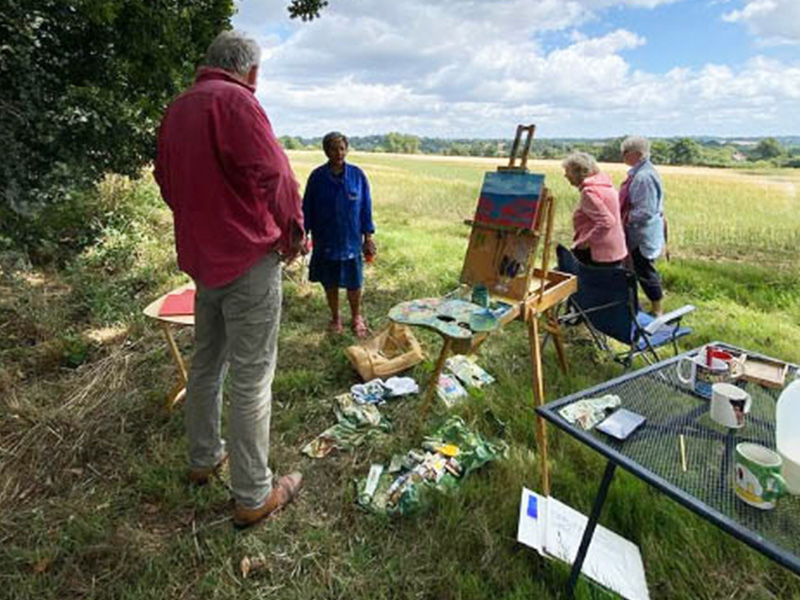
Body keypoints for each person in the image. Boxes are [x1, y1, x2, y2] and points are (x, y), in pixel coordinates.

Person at [154, 30, 304, 528]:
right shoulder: (238, 102)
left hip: (204, 262)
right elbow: (278, 175)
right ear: (252, 72)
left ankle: (203, 459)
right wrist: (293, 233)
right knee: (252, 377)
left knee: (206, 363)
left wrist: (200, 222)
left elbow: (166, 180)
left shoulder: (178, 108)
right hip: (247, 260)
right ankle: (253, 494)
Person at [302, 132, 376, 338]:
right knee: (330, 282)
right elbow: (307, 208)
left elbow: (366, 208)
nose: (339, 152)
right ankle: (335, 317)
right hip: (325, 240)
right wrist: (303, 235)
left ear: (347, 149)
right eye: (334, 148)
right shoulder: (317, 177)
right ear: (326, 151)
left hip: (351, 241)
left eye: (342, 148)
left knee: (355, 282)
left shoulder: (357, 176)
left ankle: (356, 317)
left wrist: (368, 238)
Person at [619, 136, 665, 315]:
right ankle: (637, 306)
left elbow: (646, 211)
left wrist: (623, 218)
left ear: (637, 154)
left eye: (625, 153)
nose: (622, 156)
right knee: (638, 269)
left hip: (642, 234)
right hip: (639, 232)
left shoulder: (644, 176)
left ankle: (657, 310)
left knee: (645, 271)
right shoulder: (640, 172)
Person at [562, 152, 627, 267]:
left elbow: (607, 221)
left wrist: (584, 243)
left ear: (580, 171)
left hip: (598, 253)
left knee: (588, 283)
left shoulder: (589, 192)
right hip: (614, 250)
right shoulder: (605, 185)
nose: (565, 175)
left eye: (567, 171)